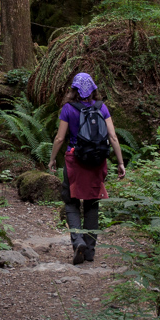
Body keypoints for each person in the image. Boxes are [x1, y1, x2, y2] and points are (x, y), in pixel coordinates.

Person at [47, 72, 126, 265]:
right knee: (92, 203)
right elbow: (113, 137)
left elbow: (59, 138)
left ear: (73, 90)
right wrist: (121, 163)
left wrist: (51, 160)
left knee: (71, 200)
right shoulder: (102, 107)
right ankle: (89, 252)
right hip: (97, 160)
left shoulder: (68, 109)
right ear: (93, 89)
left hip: (75, 159)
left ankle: (78, 241)